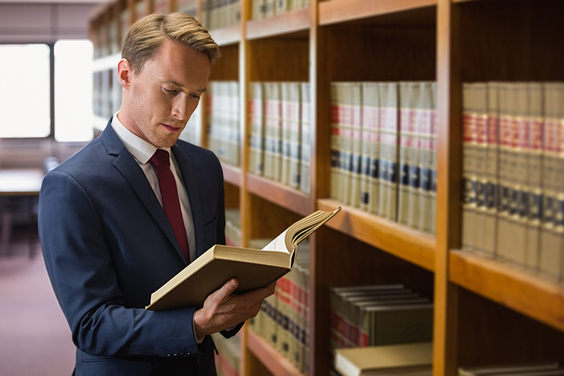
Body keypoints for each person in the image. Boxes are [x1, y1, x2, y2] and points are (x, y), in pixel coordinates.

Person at [38, 12, 275, 376]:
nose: (183, 112)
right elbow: (91, 325)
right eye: (171, 90)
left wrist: (234, 303)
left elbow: (208, 273)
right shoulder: (71, 187)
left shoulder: (205, 167)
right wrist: (194, 324)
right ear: (126, 75)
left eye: (195, 95)